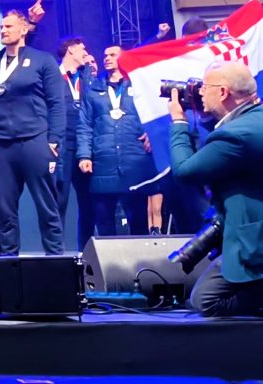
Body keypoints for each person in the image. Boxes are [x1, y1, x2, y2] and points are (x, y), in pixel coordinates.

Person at [169, 61, 263, 317]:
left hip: (254, 241)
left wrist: (178, 122)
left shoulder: (237, 135)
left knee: (205, 301)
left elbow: (185, 172)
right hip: (246, 226)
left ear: (223, 92)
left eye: (204, 86)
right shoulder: (252, 120)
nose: (199, 92)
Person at [0, 10, 65, 256]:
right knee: (5, 211)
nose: (3, 30)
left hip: (34, 140)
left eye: (9, 26)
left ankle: (56, 260)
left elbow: (57, 103)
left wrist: (54, 140)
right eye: (1, 27)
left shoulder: (42, 60)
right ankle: (9, 264)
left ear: (24, 30)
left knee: (46, 205)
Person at [76, 46, 157, 239]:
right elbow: (84, 124)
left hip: (135, 159)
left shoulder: (139, 85)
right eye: (105, 55)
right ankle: (107, 259)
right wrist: (84, 155)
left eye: (112, 55)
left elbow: (156, 112)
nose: (107, 58)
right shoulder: (93, 89)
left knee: (138, 220)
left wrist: (153, 134)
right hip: (103, 161)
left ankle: (140, 257)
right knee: (104, 221)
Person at [56, 36, 94, 248]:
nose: (86, 53)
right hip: (61, 147)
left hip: (85, 148)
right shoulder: (52, 76)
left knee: (88, 203)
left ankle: (86, 252)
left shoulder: (88, 77)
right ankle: (55, 253)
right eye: (82, 49)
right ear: (70, 50)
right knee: (58, 202)